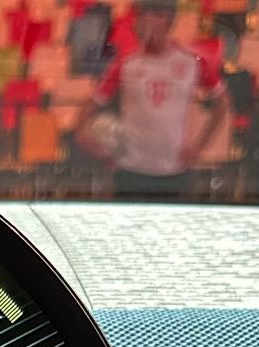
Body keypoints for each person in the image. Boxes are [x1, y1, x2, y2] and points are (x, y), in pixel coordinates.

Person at [76, 0, 223, 200]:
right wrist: (84, 137)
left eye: (147, 15)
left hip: (174, 170)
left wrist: (199, 146)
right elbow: (91, 104)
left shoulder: (192, 61)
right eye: (139, 16)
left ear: (166, 18)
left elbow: (221, 102)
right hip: (130, 170)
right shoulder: (125, 63)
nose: (140, 22)